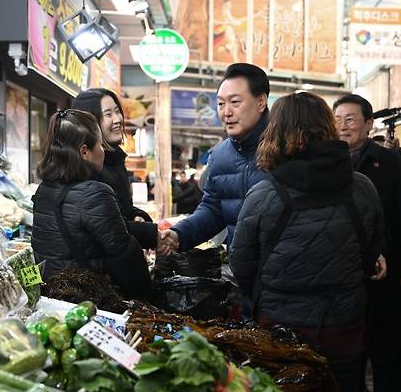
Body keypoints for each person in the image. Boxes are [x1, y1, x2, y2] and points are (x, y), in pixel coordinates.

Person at [230, 92, 385, 392]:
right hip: (344, 323)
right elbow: (372, 250)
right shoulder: (363, 187)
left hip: (281, 328)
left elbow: (241, 261)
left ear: (277, 132)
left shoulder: (264, 193)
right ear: (328, 129)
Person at [333, 94, 401, 392]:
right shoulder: (328, 164)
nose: (343, 125)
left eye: (351, 119)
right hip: (344, 274)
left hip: (386, 270)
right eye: (337, 118)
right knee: (349, 350)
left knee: (385, 349)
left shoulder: (390, 163)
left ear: (369, 124)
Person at [31, 109, 151, 297]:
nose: (103, 150)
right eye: (100, 145)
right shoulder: (95, 193)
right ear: (85, 152)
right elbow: (125, 257)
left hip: (53, 294)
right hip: (86, 300)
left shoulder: (44, 189)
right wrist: (151, 297)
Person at [161, 63, 271, 253]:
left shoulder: (284, 148)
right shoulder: (219, 156)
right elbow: (213, 210)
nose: (226, 112)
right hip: (241, 270)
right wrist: (179, 234)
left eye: (235, 102)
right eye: (221, 103)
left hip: (284, 271)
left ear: (261, 102)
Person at [72, 88, 160, 251]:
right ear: (90, 123)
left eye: (117, 111)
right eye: (108, 114)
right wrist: (154, 235)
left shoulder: (115, 159)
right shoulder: (86, 169)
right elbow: (105, 225)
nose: (117, 119)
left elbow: (121, 209)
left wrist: (137, 216)